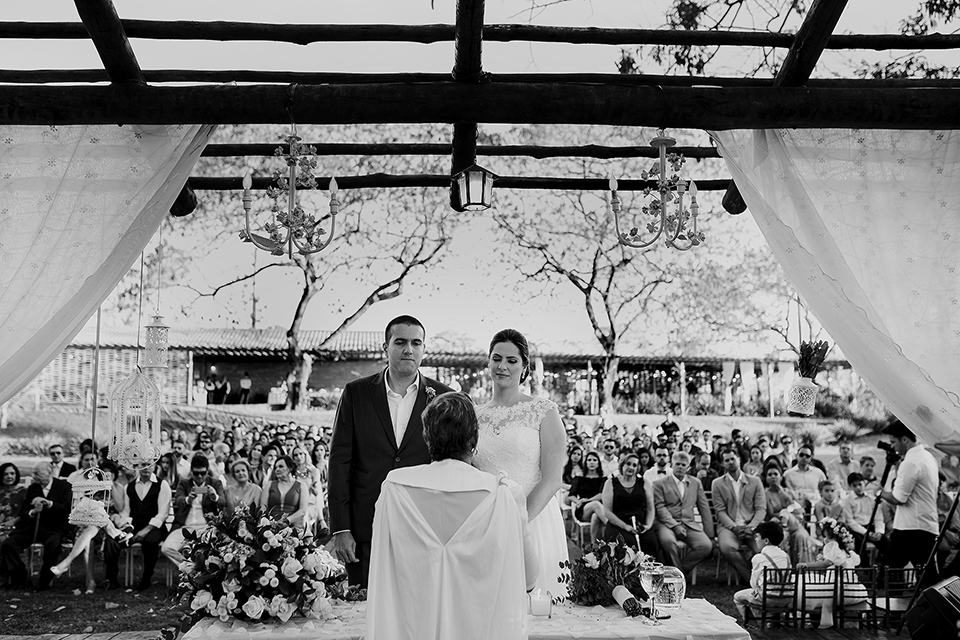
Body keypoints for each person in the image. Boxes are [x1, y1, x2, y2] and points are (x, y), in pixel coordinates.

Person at [366, 392, 538, 640]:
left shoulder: (394, 488)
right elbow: (529, 577)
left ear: (427, 437)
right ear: (474, 439)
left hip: (413, 628)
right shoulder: (505, 494)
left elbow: (383, 569)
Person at [327, 315, 452, 588]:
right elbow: (339, 462)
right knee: (362, 608)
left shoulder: (444, 397)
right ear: (386, 347)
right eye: (400, 342)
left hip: (425, 530)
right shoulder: (356, 393)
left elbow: (453, 466)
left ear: (423, 348)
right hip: (365, 530)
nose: (408, 349)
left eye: (416, 343)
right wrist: (341, 528)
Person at [474, 328, 569, 598]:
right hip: (486, 523)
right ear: (488, 362)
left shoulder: (544, 411)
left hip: (532, 520)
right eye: (496, 358)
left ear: (524, 366)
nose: (502, 366)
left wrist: (518, 521)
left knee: (536, 606)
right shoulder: (473, 414)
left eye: (511, 360)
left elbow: (552, 479)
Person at [879, 419, 940, 587]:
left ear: (904, 439)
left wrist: (879, 492)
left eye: (893, 442)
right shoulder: (927, 456)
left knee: (891, 573)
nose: (893, 447)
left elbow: (898, 498)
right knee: (927, 576)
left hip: (910, 528)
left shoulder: (911, 462)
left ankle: (893, 604)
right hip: (925, 524)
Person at [0, 462, 72, 590]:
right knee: (8, 545)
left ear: (49, 473)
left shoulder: (64, 486)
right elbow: (24, 511)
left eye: (37, 473)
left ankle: (44, 581)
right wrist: (32, 512)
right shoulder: (33, 488)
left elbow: (67, 509)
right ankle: (22, 579)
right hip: (32, 528)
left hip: (54, 529)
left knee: (53, 545)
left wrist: (49, 503)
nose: (34, 476)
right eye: (33, 473)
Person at [102, 465, 171, 592]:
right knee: (111, 540)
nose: (146, 468)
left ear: (155, 465)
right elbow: (126, 511)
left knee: (150, 541)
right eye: (143, 464)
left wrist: (146, 530)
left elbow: (163, 513)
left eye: (149, 464)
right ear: (138, 466)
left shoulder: (163, 485)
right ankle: (112, 580)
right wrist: (124, 527)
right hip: (134, 525)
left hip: (155, 527)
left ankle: (146, 579)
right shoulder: (130, 486)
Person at [653, 451, 715, 578]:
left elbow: (704, 508)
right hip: (666, 524)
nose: (680, 467)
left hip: (688, 523)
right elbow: (660, 508)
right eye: (677, 464)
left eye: (683, 465)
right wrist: (675, 526)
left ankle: (677, 572)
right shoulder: (659, 484)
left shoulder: (695, 483)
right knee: (668, 542)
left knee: (706, 546)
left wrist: (710, 535)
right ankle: (678, 578)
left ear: (688, 467)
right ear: (671, 465)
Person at [797, 518, 867, 628]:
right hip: (852, 589)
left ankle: (816, 623)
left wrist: (807, 565)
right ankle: (820, 621)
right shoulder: (847, 552)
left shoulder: (833, 547)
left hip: (839, 591)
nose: (825, 540)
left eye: (827, 537)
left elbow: (826, 564)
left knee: (810, 593)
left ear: (836, 539)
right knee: (814, 592)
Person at [712, 448, 767, 583]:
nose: (730, 462)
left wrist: (751, 527)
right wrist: (734, 527)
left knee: (761, 550)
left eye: (733, 459)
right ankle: (751, 580)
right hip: (729, 526)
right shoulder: (717, 483)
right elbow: (720, 511)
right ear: (723, 464)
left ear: (739, 459)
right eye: (727, 460)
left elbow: (761, 508)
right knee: (727, 548)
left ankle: (763, 578)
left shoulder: (755, 481)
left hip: (752, 525)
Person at [161, 454, 225, 569]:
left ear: (207, 471)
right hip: (184, 527)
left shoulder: (215, 483)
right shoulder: (184, 483)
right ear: (191, 472)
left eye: (203, 473)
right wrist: (188, 499)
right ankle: (191, 568)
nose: (199, 476)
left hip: (207, 528)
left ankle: (197, 569)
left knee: (210, 550)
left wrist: (214, 496)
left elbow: (223, 501)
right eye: (196, 473)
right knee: (166, 548)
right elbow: (178, 500)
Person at [601, 453, 660, 558]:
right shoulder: (610, 483)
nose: (631, 467)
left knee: (650, 541)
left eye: (634, 465)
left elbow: (650, 508)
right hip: (618, 523)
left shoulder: (644, 482)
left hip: (640, 524)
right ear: (622, 465)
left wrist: (647, 526)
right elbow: (607, 511)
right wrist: (625, 526)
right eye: (628, 464)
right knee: (627, 543)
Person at [733, 521, 791, 624]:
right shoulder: (785, 556)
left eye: (757, 537)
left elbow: (753, 583)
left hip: (767, 599)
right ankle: (771, 622)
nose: (755, 540)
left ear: (766, 540)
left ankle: (754, 624)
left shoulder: (759, 557)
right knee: (758, 594)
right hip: (787, 598)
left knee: (738, 597)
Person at [841, 472, 886, 563]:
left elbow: (878, 517)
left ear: (864, 483)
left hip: (871, 526)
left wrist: (879, 532)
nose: (858, 488)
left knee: (886, 542)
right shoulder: (847, 500)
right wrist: (866, 533)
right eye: (854, 485)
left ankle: (882, 565)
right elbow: (850, 521)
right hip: (857, 529)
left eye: (860, 484)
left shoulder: (871, 498)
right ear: (850, 486)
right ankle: (864, 567)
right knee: (860, 543)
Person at [566, 450, 606, 541]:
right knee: (595, 504)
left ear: (598, 463)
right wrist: (579, 502)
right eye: (589, 460)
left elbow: (601, 495)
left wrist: (587, 500)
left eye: (594, 460)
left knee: (595, 516)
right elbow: (571, 495)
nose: (592, 462)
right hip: (583, 510)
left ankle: (595, 546)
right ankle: (612, 527)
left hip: (598, 508)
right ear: (586, 462)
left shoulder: (602, 478)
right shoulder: (579, 477)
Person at [260, 455, 309, 527]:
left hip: (293, 525)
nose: (277, 469)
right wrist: (268, 522)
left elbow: (302, 510)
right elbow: (263, 507)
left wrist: (287, 520)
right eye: (275, 467)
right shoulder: (270, 484)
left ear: (290, 468)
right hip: (272, 525)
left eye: (281, 466)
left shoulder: (301, 486)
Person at [0, 463, 24, 544]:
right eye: (5, 474)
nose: (9, 476)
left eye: (12, 473)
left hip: (15, 529)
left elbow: (26, 514)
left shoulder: (24, 492)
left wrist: (13, 521)